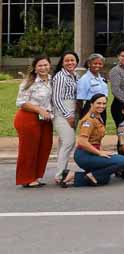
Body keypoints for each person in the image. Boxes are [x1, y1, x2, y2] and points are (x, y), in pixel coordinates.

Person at [14, 55, 54, 188]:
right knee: (28, 149)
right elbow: (21, 103)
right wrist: (39, 110)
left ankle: (36, 176)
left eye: (45, 65)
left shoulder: (52, 80)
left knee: (44, 147)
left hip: (45, 119)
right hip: (28, 118)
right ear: (35, 68)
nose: (43, 68)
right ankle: (26, 178)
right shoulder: (28, 82)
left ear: (50, 65)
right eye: (40, 66)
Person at [73, 94, 124, 187]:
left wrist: (101, 151)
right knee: (122, 160)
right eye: (98, 103)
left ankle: (72, 176)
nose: (101, 106)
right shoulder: (89, 120)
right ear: (91, 104)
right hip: (84, 155)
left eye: (104, 104)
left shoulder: (98, 117)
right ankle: (92, 175)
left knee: (103, 179)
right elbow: (82, 142)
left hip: (92, 153)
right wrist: (99, 153)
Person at [50, 50, 79, 186]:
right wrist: (67, 115)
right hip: (62, 113)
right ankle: (59, 174)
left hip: (73, 111)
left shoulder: (74, 75)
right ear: (62, 62)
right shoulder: (60, 76)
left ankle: (62, 171)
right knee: (69, 142)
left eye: (72, 60)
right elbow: (56, 98)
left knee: (64, 144)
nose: (70, 62)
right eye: (67, 60)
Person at [76, 53, 108, 123]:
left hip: (102, 108)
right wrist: (82, 114)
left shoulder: (101, 78)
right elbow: (79, 100)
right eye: (95, 63)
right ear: (89, 64)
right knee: (89, 131)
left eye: (100, 64)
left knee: (101, 131)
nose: (97, 65)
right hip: (90, 109)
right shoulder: (85, 79)